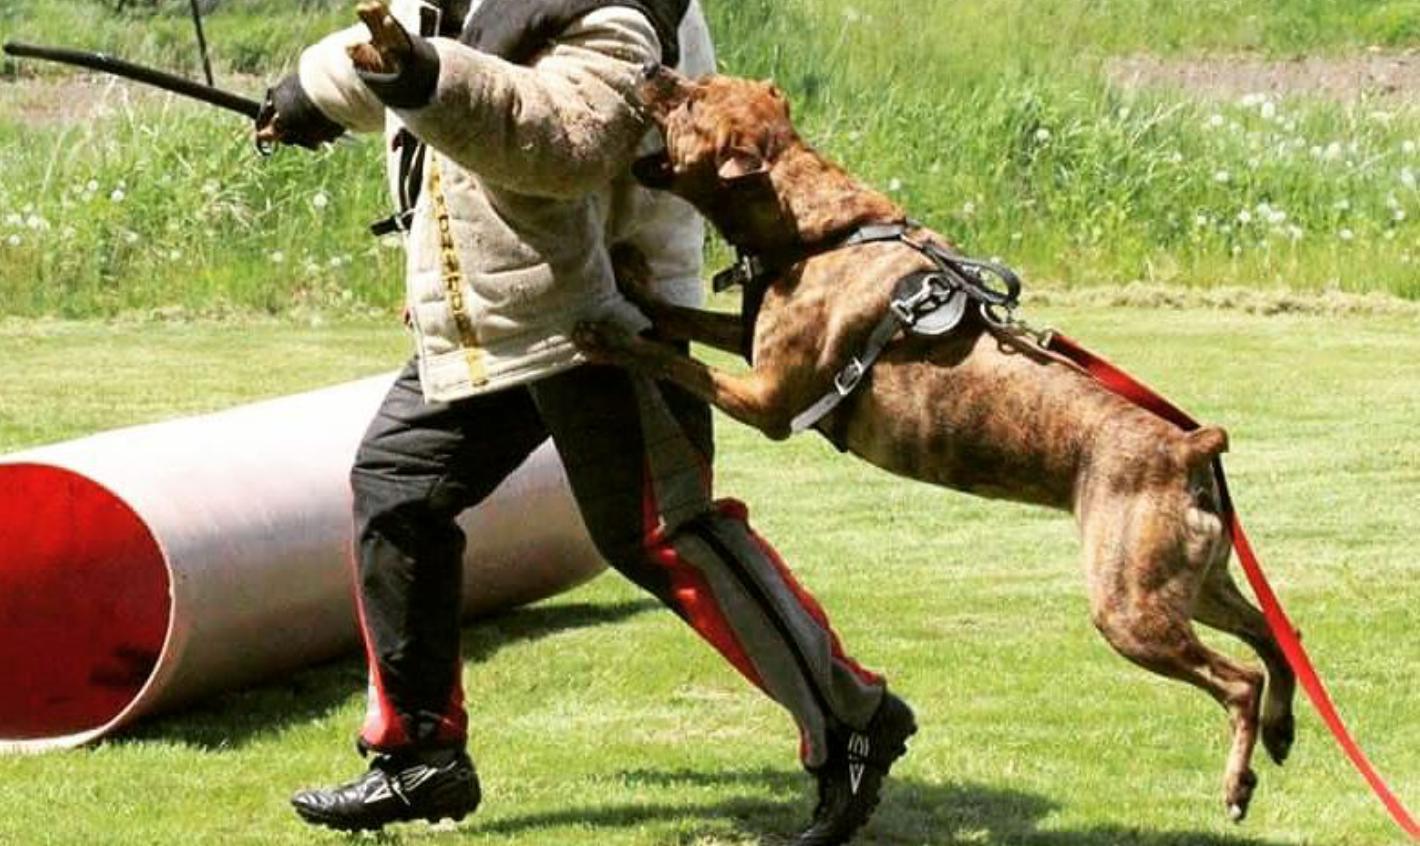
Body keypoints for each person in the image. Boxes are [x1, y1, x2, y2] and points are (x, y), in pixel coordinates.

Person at [256, 1, 914, 843]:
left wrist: (418, 77)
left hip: (607, 308)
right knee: (398, 486)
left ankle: (852, 718)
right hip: (491, 311)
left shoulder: (613, 7)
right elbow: (404, 36)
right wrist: (307, 92)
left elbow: (564, 141)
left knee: (664, 532)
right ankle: (419, 753)